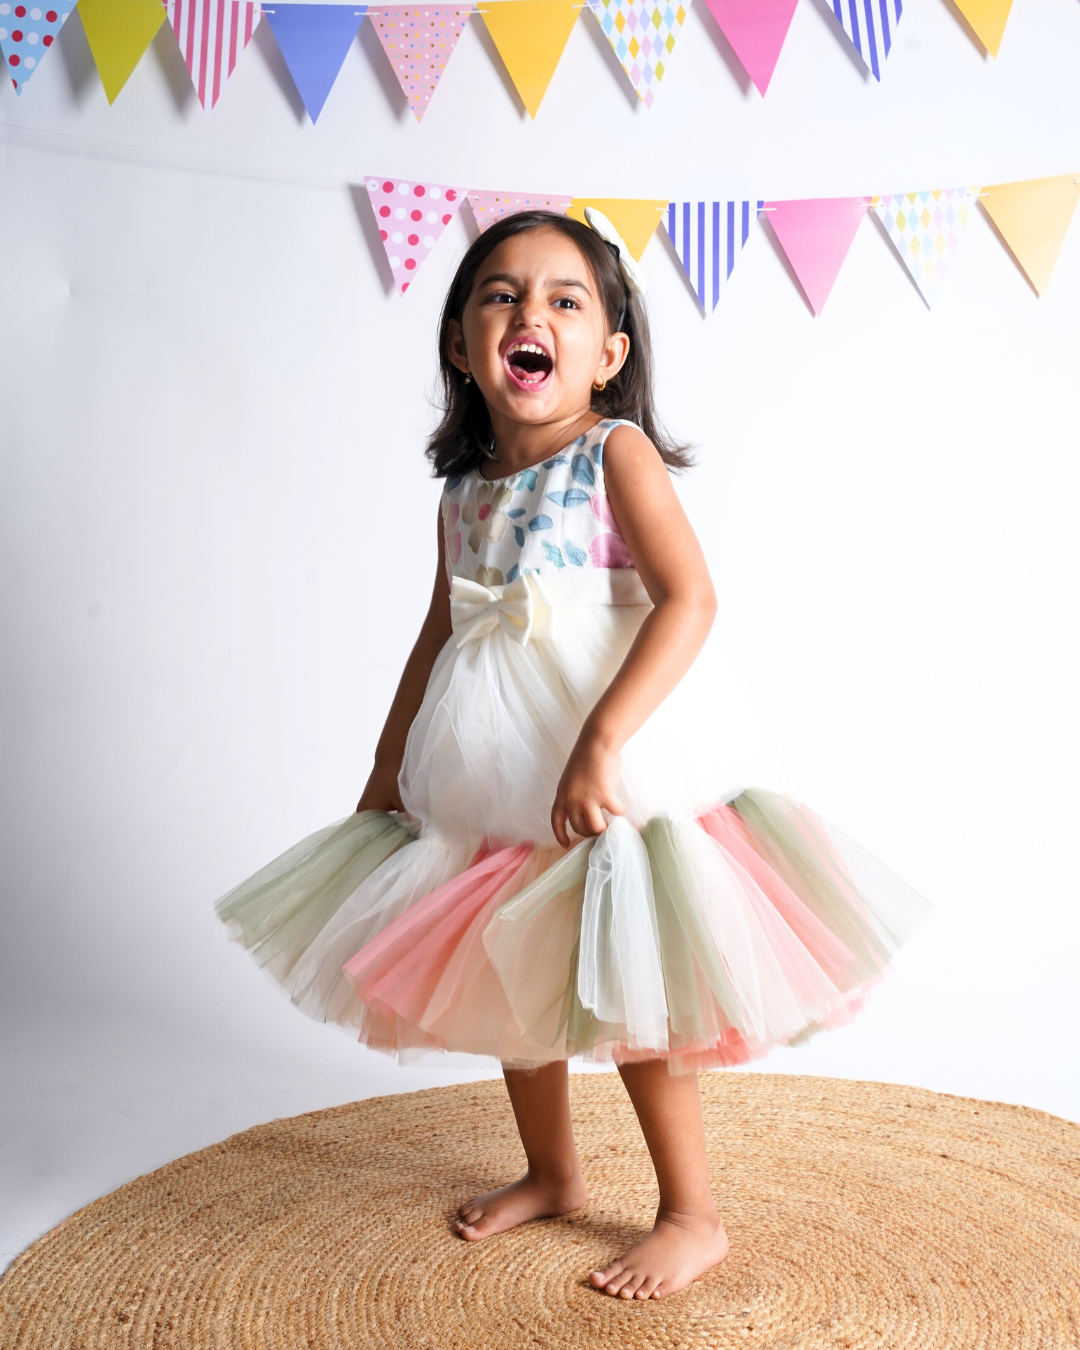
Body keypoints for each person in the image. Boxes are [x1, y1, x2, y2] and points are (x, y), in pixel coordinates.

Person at [217, 208, 929, 1300]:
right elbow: (440, 631)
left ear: (609, 352)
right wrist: (387, 761)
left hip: (618, 758)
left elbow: (690, 600)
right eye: (500, 295)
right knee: (504, 950)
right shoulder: (462, 493)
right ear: (461, 344)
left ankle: (691, 1211)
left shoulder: (614, 455)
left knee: (632, 971)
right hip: (493, 763)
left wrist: (602, 743)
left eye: (564, 298)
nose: (529, 313)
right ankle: (552, 1170)